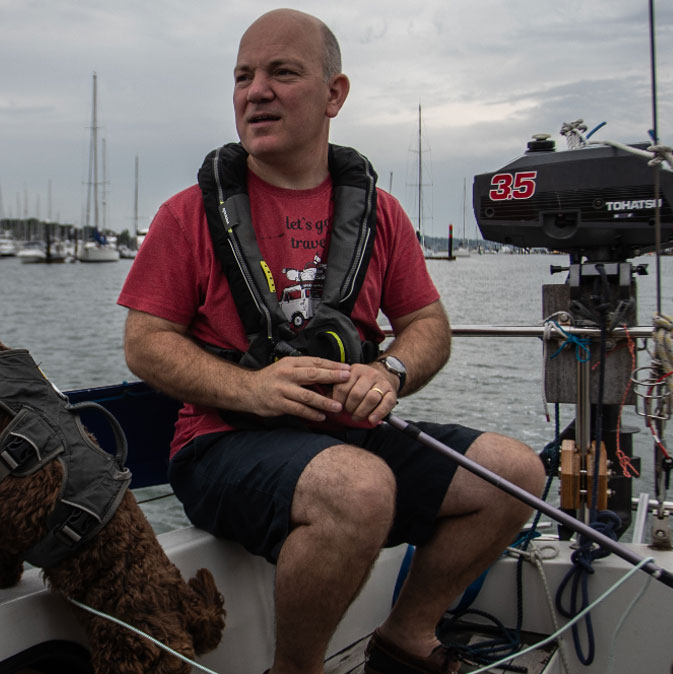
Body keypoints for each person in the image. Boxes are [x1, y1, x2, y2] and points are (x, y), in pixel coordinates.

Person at [117, 8, 546, 674]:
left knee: (515, 475)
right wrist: (250, 388)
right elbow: (145, 342)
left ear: (334, 95)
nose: (255, 91)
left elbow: (427, 325)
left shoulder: (381, 215)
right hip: (221, 445)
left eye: (281, 73)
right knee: (360, 488)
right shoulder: (187, 215)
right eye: (243, 76)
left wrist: (393, 373)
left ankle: (406, 637)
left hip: (349, 436)